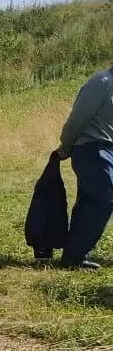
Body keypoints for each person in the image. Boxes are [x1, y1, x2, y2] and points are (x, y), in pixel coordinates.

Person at [56, 66, 113, 270]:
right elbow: (76, 120)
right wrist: (66, 144)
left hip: (109, 150)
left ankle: (74, 254)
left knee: (90, 200)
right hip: (92, 148)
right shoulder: (102, 82)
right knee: (103, 198)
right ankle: (75, 255)